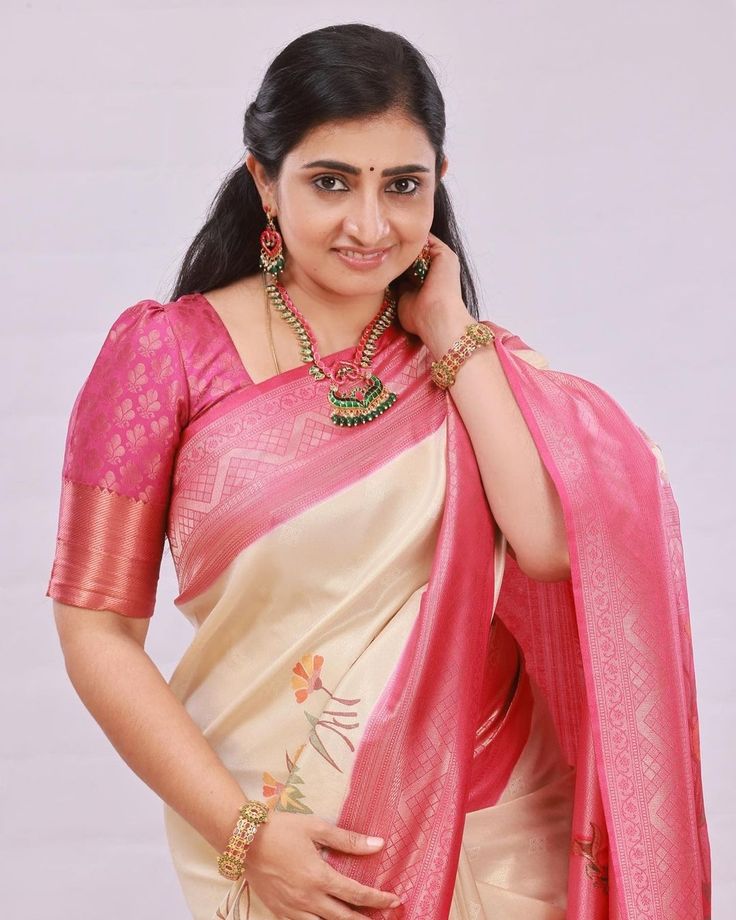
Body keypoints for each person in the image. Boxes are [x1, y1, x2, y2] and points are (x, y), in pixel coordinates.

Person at [46, 22, 711, 920]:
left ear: (440, 182)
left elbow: (552, 542)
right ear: (264, 182)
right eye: (331, 182)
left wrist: (447, 330)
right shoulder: (164, 358)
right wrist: (245, 834)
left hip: (501, 821)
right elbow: (94, 630)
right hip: (280, 835)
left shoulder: (470, 364)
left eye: (403, 185)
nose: (370, 225)